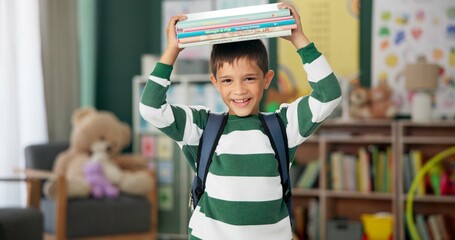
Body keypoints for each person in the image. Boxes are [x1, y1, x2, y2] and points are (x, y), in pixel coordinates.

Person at [140, 3, 342, 239]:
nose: (239, 90)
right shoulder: (202, 126)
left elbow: (329, 95)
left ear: (267, 79)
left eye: (249, 78)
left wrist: (299, 39)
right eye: (227, 81)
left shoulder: (284, 126)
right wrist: (172, 51)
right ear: (215, 82)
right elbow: (151, 108)